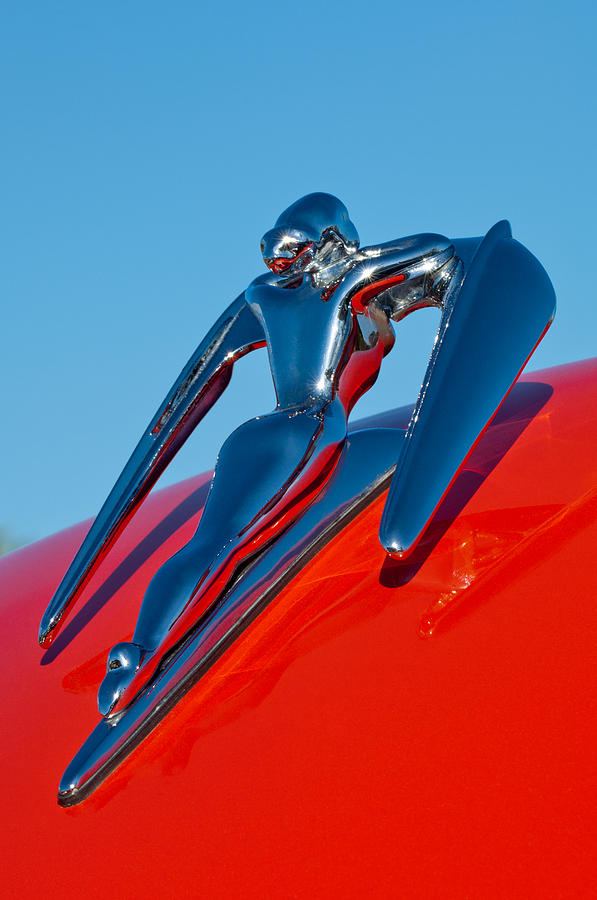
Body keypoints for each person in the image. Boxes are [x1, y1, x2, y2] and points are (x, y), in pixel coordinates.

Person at [96, 193, 457, 715]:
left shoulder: (264, 295)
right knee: (229, 545)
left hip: (259, 435)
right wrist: (355, 256)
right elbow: (436, 249)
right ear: (331, 239)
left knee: (213, 541)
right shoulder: (346, 283)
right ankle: (146, 656)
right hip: (309, 426)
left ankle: (141, 648)